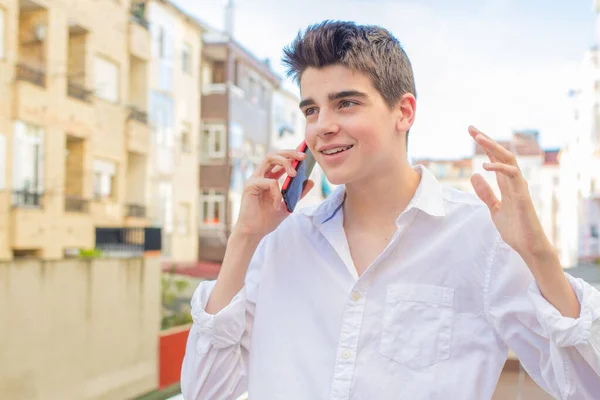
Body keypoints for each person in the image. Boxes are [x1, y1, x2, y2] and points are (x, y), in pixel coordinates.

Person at [181, 20, 600, 399]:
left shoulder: (480, 238)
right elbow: (205, 392)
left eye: (346, 103)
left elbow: (586, 385)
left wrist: (540, 257)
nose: (322, 125)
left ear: (404, 111)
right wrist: (244, 239)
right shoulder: (278, 242)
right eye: (311, 109)